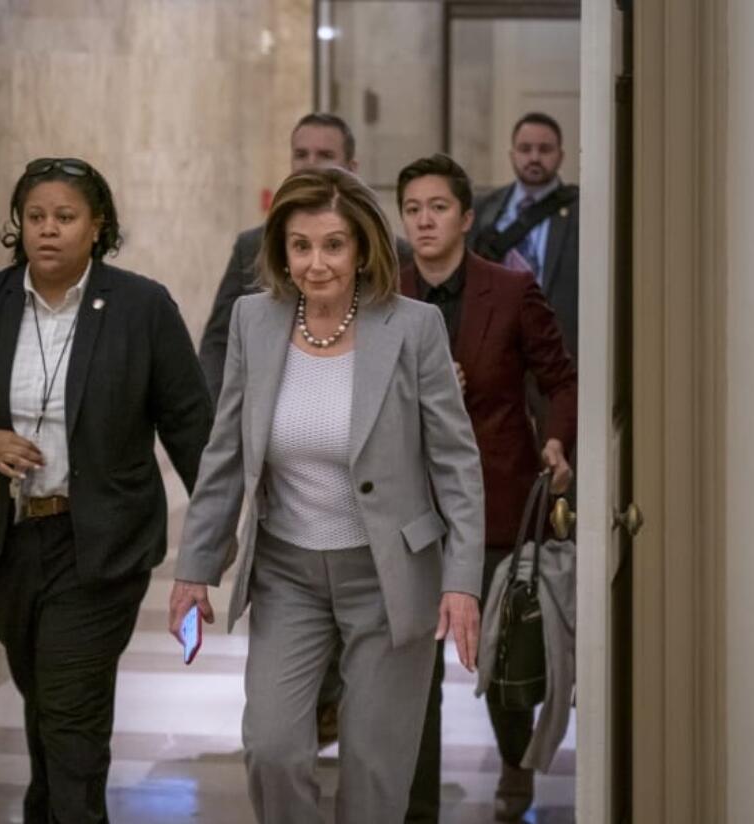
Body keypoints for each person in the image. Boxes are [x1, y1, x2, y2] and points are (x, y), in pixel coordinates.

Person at [169, 167, 486, 824]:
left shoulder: (413, 327)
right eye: (301, 246)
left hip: (390, 574)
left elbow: (456, 463)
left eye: (334, 245)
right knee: (273, 749)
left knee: (375, 770)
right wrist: (195, 567)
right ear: (282, 250)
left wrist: (462, 582)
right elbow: (225, 453)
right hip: (288, 572)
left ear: (363, 247)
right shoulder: (254, 321)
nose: (316, 264)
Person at [0, 157, 212, 823]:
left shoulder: (141, 307)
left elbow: (190, 425)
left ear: (97, 226)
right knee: (44, 698)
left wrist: (214, 541)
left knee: (71, 710)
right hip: (5, 539)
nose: (47, 231)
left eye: (65, 218)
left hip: (98, 541)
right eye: (35, 217)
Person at [398, 154, 578, 822]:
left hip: (498, 495)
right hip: (412, 506)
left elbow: (561, 378)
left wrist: (557, 441)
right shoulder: (390, 294)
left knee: (503, 652)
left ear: (467, 217)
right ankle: (418, 805)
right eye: (413, 208)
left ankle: (514, 764)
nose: (424, 219)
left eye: (438, 206)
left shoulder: (509, 290)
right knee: (415, 666)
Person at [198, 112, 413, 403]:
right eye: (301, 154)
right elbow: (217, 343)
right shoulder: (251, 246)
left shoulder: (394, 253)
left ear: (351, 167)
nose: (310, 164)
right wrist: (222, 412)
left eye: (325, 154)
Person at [467, 111, 578, 360]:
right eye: (525, 149)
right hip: (494, 350)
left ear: (561, 156)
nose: (534, 157)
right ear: (512, 155)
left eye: (545, 149)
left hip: (557, 353)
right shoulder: (482, 208)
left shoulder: (581, 212)